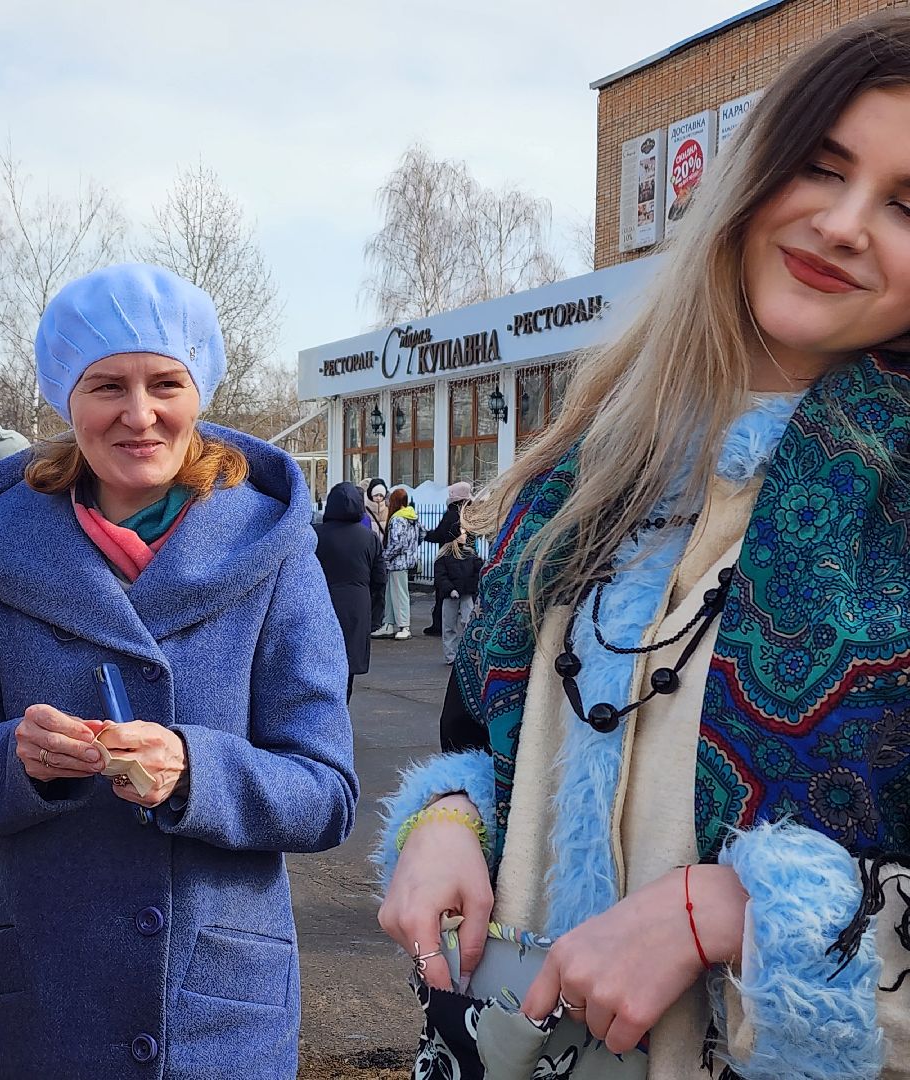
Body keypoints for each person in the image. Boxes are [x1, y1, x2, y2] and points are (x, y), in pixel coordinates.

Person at [376, 15, 910, 1079]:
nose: (845, 224)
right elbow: (488, 731)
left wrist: (742, 917)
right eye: (821, 165)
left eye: (907, 204)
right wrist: (446, 819)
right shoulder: (593, 465)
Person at [0, 262, 358, 1079]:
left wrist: (195, 769)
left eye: (165, 384)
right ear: (66, 397)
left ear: (200, 390)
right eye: (107, 386)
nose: (140, 413)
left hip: (213, 1008)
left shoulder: (271, 548)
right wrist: (17, 760)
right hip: (41, 1000)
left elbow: (327, 794)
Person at [314, 481, 386, 701]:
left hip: (321, 604)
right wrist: (375, 617)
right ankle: (342, 709)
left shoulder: (316, 535)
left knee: (320, 665)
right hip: (357, 606)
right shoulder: (369, 538)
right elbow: (379, 580)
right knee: (348, 667)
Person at [424, 480, 474, 637]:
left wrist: (426, 534)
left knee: (444, 592)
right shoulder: (470, 514)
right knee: (466, 594)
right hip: (468, 557)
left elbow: (440, 534)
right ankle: (469, 627)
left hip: (449, 557)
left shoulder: (451, 514)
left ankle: (439, 624)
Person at [376, 487, 420, 640]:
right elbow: (422, 534)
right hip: (406, 560)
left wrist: (384, 556)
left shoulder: (397, 519)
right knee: (391, 594)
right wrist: (411, 550)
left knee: (399, 594)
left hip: (396, 563)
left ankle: (404, 626)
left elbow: (396, 543)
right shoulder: (412, 516)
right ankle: (388, 624)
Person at [432, 529, 481, 666]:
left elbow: (478, 571)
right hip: (451, 595)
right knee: (449, 625)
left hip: (466, 593)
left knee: (467, 622)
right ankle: (451, 656)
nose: (465, 535)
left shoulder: (470, 555)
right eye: (462, 533)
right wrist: (450, 589)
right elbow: (440, 576)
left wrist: (471, 587)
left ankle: (468, 654)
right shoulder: (444, 557)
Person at [362, 477, 391, 631]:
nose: (379, 498)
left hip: (383, 554)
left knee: (381, 589)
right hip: (370, 554)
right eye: (376, 495)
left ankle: (378, 620)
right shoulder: (365, 509)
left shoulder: (389, 509)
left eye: (381, 495)